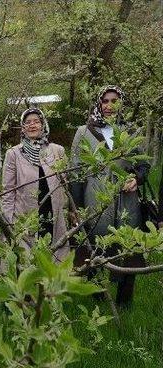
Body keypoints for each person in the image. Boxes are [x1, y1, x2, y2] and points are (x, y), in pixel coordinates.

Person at [70, 85, 149, 306]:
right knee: (97, 247)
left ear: (121, 103)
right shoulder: (84, 132)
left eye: (114, 101)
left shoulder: (131, 130)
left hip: (127, 200)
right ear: (99, 103)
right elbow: (75, 172)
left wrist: (137, 179)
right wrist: (75, 208)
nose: (109, 106)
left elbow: (143, 165)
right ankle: (99, 302)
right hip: (95, 198)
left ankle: (124, 304)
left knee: (128, 246)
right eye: (105, 101)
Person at [1, 108, 69, 261]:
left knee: (53, 259)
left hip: (52, 214)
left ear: (43, 125)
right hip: (25, 216)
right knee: (28, 262)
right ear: (23, 127)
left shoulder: (57, 151)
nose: (32, 125)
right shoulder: (14, 154)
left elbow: (65, 185)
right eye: (28, 122)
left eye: (36, 122)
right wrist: (8, 220)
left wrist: (67, 209)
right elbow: (7, 190)